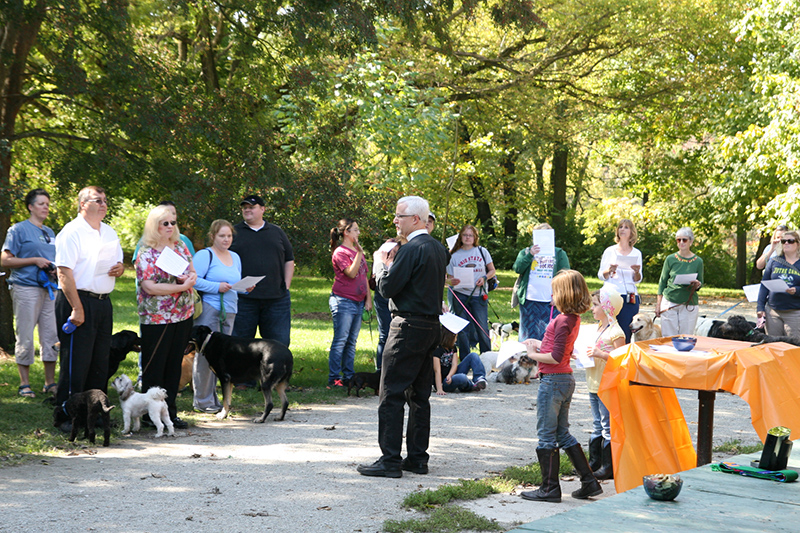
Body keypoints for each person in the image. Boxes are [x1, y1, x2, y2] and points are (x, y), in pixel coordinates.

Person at [357, 196, 447, 478]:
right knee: (420, 395)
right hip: (431, 326)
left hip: (407, 326)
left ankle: (390, 460)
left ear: (416, 219)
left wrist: (382, 265)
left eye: (400, 216)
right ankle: (418, 458)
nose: (395, 221)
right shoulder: (438, 249)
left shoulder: (410, 249)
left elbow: (387, 288)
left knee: (391, 392)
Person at [519, 270, 601, 503]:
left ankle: (549, 488)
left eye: (554, 292)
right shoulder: (572, 318)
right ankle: (589, 481)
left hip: (553, 381)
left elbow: (554, 357)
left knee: (546, 434)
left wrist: (533, 353)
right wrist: (538, 344)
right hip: (564, 379)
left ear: (564, 294)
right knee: (562, 433)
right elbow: (559, 348)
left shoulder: (563, 319)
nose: (552, 296)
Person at [54, 186, 125, 411]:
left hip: (103, 302)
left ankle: (94, 412)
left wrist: (120, 269)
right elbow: (64, 273)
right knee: (77, 362)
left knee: (99, 361)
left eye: (105, 200)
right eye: (98, 200)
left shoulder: (109, 232)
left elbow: (120, 263)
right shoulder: (72, 232)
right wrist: (77, 308)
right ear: (83, 204)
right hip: (78, 301)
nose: (104, 204)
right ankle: (67, 412)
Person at [136, 205, 196, 429]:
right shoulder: (146, 252)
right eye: (165, 223)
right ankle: (149, 415)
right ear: (155, 226)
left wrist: (189, 279)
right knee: (155, 366)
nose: (170, 227)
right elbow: (149, 287)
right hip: (157, 318)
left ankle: (170, 413)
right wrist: (180, 288)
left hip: (182, 314)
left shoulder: (180, 246)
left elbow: (192, 271)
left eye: (173, 222)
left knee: (174, 365)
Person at [1, 189, 59, 398]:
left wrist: (52, 268)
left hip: (49, 289)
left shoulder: (50, 232)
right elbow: (5, 260)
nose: (45, 207)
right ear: (30, 207)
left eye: (47, 204)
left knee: (51, 335)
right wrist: (34, 260)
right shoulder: (18, 230)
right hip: (25, 288)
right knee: (25, 334)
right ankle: (24, 383)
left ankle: (50, 383)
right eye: (41, 203)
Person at [192, 220, 244, 413]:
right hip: (210, 309)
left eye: (229, 236)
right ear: (213, 236)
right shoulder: (205, 255)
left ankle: (215, 399)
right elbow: (193, 280)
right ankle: (202, 401)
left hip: (229, 310)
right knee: (206, 356)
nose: (226, 239)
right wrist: (216, 287)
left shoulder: (235, 257)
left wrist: (245, 287)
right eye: (222, 236)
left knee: (221, 356)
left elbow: (234, 283)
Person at [230, 194, 294, 347]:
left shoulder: (276, 232)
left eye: (251, 207)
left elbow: (289, 259)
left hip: (276, 300)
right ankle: (243, 372)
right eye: (245, 208)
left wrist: (286, 286)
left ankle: (275, 372)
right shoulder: (233, 232)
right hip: (243, 300)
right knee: (240, 346)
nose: (247, 210)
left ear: (263, 209)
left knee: (279, 345)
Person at [328, 218, 372, 388]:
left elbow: (364, 278)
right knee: (341, 340)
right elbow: (352, 273)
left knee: (352, 342)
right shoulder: (341, 252)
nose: (358, 233)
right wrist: (360, 254)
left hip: (359, 302)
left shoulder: (356, 251)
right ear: (346, 232)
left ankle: (348, 376)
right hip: (343, 300)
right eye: (355, 230)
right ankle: (334, 378)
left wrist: (368, 299)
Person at [586, 288, 625, 480]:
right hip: (593, 381)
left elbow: (622, 360)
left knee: (607, 424)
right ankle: (594, 461)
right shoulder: (597, 328)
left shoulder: (616, 332)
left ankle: (609, 466)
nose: (591, 309)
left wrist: (600, 354)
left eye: (595, 304)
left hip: (607, 384)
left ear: (608, 307)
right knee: (597, 424)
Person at [513, 223, 570, 341]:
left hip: (550, 301)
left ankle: (545, 359)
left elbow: (566, 276)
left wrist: (559, 295)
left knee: (549, 336)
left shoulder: (559, 253)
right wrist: (530, 255)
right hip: (529, 300)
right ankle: (527, 359)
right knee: (527, 338)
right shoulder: (526, 252)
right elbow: (517, 268)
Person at [446, 225, 496, 358]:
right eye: (465, 235)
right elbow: (449, 278)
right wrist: (451, 281)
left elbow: (492, 270)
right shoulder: (453, 255)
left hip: (478, 295)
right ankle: (466, 358)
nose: (468, 238)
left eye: (471, 235)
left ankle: (487, 357)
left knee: (482, 327)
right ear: (460, 237)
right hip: (460, 295)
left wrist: (484, 277)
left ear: (475, 238)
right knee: (462, 329)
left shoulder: (482, 251)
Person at [597, 218, 642, 343]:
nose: (622, 229)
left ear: (632, 232)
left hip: (629, 296)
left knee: (626, 333)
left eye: (626, 227)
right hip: (611, 294)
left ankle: (623, 360)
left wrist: (637, 272)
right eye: (620, 227)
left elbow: (638, 279)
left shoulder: (637, 253)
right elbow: (601, 275)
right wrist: (609, 270)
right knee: (608, 331)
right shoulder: (609, 251)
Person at [656, 227, 704, 336]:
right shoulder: (670, 259)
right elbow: (662, 282)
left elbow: (701, 282)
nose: (681, 242)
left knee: (686, 337)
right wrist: (658, 305)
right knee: (668, 337)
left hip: (689, 302)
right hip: (669, 301)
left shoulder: (698, 261)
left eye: (684, 240)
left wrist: (697, 284)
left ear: (691, 241)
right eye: (679, 240)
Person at [757, 230, 800, 336]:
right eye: (783, 241)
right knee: (773, 346)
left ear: (798, 244)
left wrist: (796, 290)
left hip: (795, 312)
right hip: (773, 311)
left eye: (790, 241)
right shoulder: (774, 261)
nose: (786, 243)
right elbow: (764, 285)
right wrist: (760, 307)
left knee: (793, 347)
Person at [433, 327, 487, 394]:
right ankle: (471, 386)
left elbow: (454, 365)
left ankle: (479, 379)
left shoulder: (453, 347)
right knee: (462, 377)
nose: (456, 340)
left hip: (452, 375)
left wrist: (450, 375)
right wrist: (439, 389)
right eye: (455, 338)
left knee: (473, 355)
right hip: (444, 382)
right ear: (449, 338)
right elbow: (437, 371)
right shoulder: (437, 350)